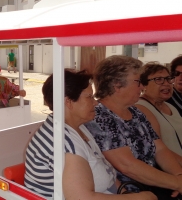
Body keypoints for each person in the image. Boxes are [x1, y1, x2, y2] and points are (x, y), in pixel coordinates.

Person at [24, 69, 155, 200]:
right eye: (89, 97)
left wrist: (125, 193)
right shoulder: (66, 144)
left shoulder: (76, 127)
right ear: (68, 102)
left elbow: (105, 170)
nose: (95, 102)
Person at [85, 55, 182, 199]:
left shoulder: (135, 112)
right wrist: (176, 183)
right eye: (138, 82)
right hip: (131, 193)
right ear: (117, 85)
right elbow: (128, 166)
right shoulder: (100, 117)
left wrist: (178, 176)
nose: (142, 87)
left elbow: (160, 149)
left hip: (156, 184)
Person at [135, 62, 182, 157]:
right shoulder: (140, 108)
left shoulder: (171, 107)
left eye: (168, 79)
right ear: (144, 85)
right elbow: (158, 150)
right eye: (158, 79)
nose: (167, 84)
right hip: (169, 167)